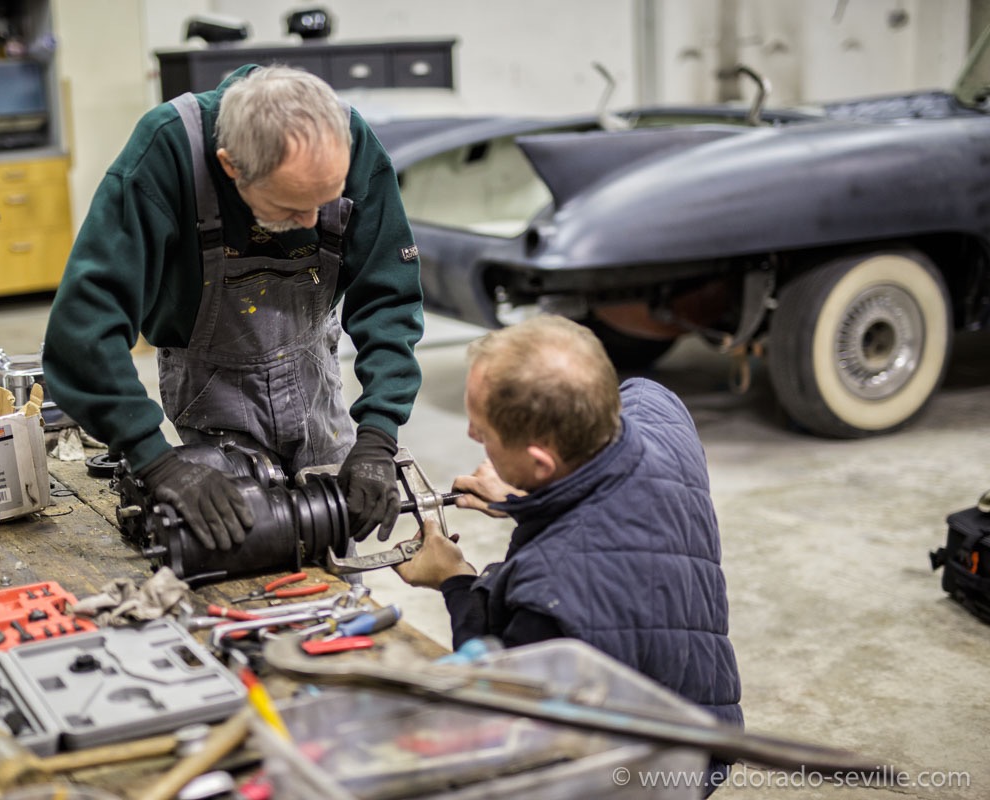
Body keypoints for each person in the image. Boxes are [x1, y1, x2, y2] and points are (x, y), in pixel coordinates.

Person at [43, 65, 423, 552]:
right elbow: (83, 330)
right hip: (210, 389)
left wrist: (378, 434)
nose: (313, 222)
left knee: (329, 540)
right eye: (291, 209)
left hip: (315, 385)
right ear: (230, 166)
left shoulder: (350, 143)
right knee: (229, 551)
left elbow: (388, 298)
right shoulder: (167, 153)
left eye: (324, 203)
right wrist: (153, 457)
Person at [393, 314, 741, 793]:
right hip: (707, 716)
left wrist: (454, 580)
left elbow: (499, 693)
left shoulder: (550, 598)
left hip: (648, 773)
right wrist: (528, 498)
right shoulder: (659, 410)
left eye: (484, 433)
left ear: (541, 461)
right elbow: (603, 504)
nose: (473, 433)